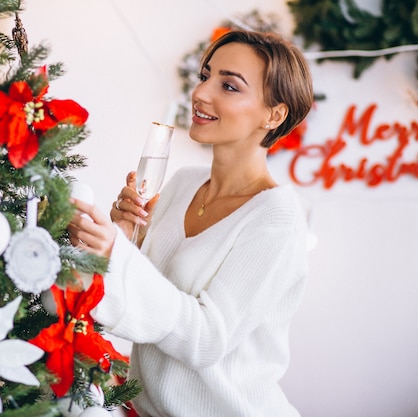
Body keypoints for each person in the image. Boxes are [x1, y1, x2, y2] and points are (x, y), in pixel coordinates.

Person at [68, 29, 314, 417]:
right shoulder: (183, 183)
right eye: (205, 76)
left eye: (229, 86)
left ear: (274, 114)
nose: (201, 93)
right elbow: (133, 304)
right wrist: (116, 238)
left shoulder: (277, 219)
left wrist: (117, 256)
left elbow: (205, 339)